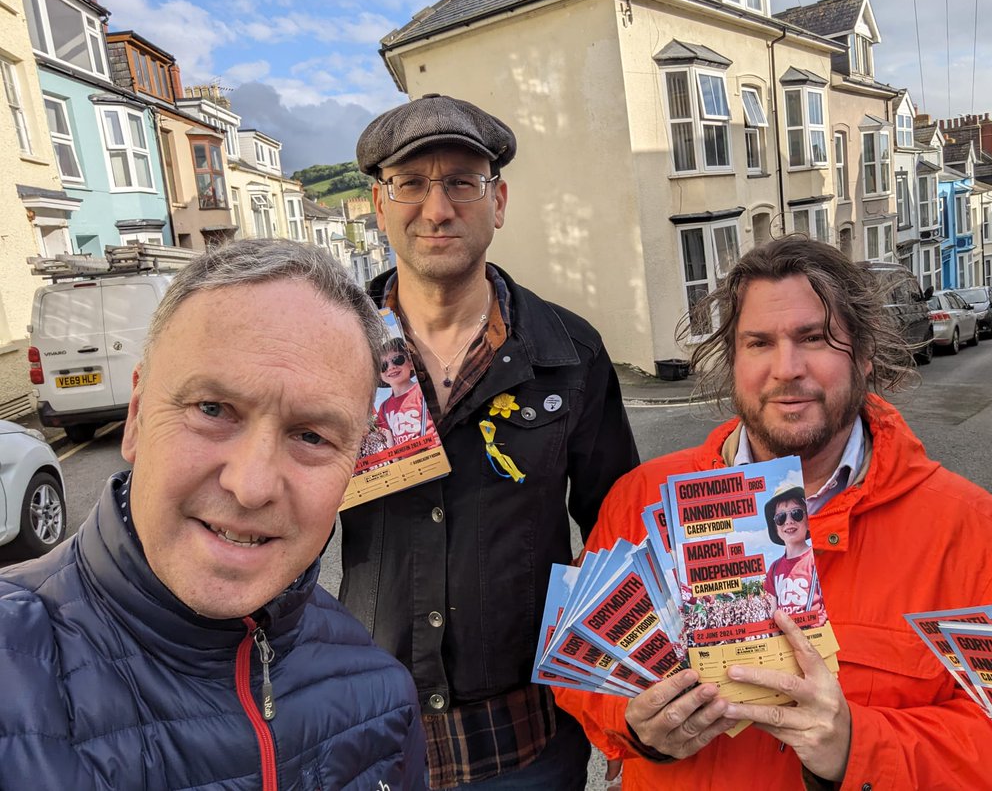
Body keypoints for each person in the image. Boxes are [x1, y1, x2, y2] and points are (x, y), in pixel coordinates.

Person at [555, 236, 992, 789]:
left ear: (863, 355)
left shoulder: (983, 539)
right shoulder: (641, 500)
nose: (786, 368)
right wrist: (632, 725)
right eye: (759, 343)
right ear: (734, 359)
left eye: (813, 337)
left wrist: (856, 746)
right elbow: (579, 671)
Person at [0, 239, 425, 788]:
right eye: (212, 409)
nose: (250, 487)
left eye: (312, 436)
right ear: (136, 418)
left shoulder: (383, 697)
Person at [342, 93, 640, 788]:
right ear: (379, 206)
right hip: (373, 741)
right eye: (409, 184)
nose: (437, 208)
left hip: (528, 748)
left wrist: (630, 710)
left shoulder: (570, 354)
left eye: (461, 183)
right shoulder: (330, 352)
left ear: (498, 201)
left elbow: (616, 538)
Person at [762, 486, 822, 616]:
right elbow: (774, 611)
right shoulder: (774, 568)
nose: (789, 521)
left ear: (808, 521)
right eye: (780, 517)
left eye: (796, 513)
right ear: (776, 527)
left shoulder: (818, 558)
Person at [376, 340, 434, 446]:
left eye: (397, 359)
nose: (391, 367)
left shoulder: (424, 390)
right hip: (406, 462)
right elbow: (390, 444)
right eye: (383, 366)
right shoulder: (383, 408)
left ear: (411, 363)